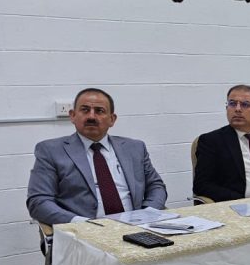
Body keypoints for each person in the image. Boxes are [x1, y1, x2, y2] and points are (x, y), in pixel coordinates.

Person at [27, 88, 167, 225]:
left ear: (112, 119)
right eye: (85, 110)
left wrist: (148, 213)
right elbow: (38, 201)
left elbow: (156, 186)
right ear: (73, 116)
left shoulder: (135, 148)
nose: (91, 117)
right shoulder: (51, 151)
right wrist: (81, 224)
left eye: (99, 111)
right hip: (83, 232)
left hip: (135, 227)